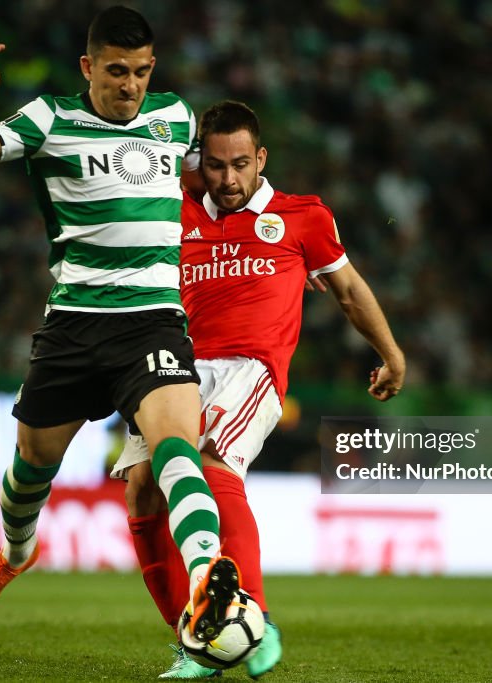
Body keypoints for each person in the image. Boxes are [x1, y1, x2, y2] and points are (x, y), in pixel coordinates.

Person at [0, 6, 242, 642]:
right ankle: (16, 554)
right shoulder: (49, 118)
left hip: (152, 323)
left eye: (142, 73)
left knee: (179, 444)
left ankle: (208, 574)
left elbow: (222, 187)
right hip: (73, 325)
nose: (131, 86)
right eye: (117, 72)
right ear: (88, 67)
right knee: (29, 471)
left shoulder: (176, 118)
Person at [113, 101, 407, 678]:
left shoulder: (302, 217)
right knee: (143, 491)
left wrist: (391, 354)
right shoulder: (175, 211)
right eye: (216, 166)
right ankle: (198, 638)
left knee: (209, 462)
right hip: (176, 370)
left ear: (261, 158)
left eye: (240, 165)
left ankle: (258, 620)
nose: (228, 179)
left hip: (251, 369)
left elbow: (347, 290)